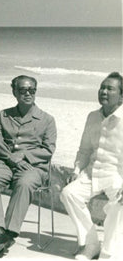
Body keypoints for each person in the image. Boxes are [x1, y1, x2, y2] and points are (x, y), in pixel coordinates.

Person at [0, 75, 57, 258]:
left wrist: (24, 156)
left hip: (34, 166)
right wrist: (12, 158)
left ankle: (10, 232)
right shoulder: (3, 115)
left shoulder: (47, 119)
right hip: (5, 162)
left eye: (32, 90)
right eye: (23, 90)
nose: (28, 93)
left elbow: (48, 150)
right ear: (14, 92)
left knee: (24, 184)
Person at [60, 72, 123, 260]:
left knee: (119, 205)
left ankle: (108, 252)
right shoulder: (92, 116)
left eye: (109, 88)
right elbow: (85, 150)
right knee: (68, 193)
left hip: (117, 175)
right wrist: (77, 170)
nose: (103, 91)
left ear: (121, 95)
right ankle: (91, 244)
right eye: (102, 87)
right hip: (92, 173)